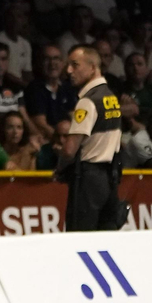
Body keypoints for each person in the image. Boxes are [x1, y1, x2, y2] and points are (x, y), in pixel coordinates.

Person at [57, 45, 124, 231]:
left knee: (79, 238)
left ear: (93, 67)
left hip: (88, 179)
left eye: (75, 65)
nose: (69, 71)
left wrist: (60, 165)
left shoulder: (87, 101)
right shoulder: (111, 98)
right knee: (105, 237)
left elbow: (70, 149)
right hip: (110, 177)